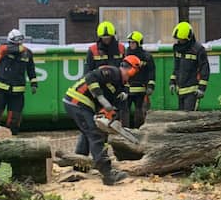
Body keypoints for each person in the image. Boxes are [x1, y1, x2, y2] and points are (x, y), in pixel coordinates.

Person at [63, 55, 142, 185]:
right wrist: (101, 98)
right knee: (95, 134)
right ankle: (107, 174)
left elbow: (117, 106)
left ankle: (79, 166)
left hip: (83, 105)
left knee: (88, 133)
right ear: (130, 70)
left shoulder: (121, 87)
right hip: (78, 101)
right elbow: (90, 77)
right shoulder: (112, 72)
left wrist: (115, 121)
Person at [0, 29, 38, 134]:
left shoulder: (27, 53)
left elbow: (31, 69)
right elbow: (13, 49)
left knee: (15, 117)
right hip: (0, 89)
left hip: (17, 91)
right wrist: (21, 48)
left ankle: (12, 138)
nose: (19, 42)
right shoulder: (4, 48)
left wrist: (34, 83)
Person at [170, 22, 209, 111]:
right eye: (178, 39)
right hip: (180, 90)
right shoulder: (178, 49)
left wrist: (202, 89)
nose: (179, 41)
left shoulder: (198, 50)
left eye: (181, 40)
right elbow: (176, 68)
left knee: (189, 118)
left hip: (193, 91)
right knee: (181, 118)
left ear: (188, 38)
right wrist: (172, 82)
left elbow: (204, 69)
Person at [122, 30, 156, 128]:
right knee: (125, 111)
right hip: (127, 89)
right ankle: (125, 130)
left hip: (141, 89)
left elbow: (151, 72)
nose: (131, 44)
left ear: (139, 43)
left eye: (133, 42)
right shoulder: (125, 55)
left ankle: (139, 130)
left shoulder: (146, 57)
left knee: (139, 111)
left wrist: (150, 86)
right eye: (129, 42)